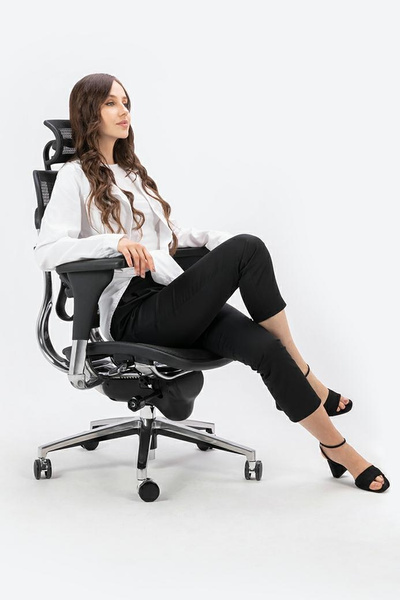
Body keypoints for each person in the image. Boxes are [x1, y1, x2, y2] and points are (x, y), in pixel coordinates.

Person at [34, 73, 390, 493]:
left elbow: (168, 239)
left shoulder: (131, 173)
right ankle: (309, 378)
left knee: (265, 347)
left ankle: (335, 447)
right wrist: (114, 243)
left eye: (126, 102)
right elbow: (47, 251)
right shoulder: (73, 176)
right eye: (111, 103)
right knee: (248, 248)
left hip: (170, 297)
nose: (124, 111)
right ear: (89, 112)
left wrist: (211, 241)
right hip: (133, 312)